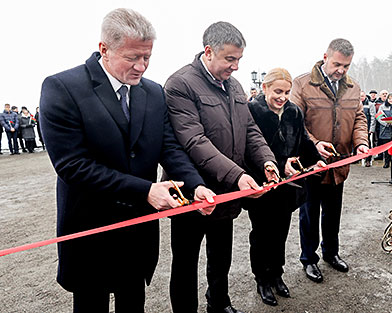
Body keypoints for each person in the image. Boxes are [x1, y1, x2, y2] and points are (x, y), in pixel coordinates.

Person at [39, 8, 215, 313]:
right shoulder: (62, 88)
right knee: (90, 304)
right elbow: (72, 165)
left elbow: (169, 148)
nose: (142, 66)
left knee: (133, 302)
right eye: (133, 57)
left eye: (147, 57)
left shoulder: (154, 92)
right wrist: (144, 190)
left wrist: (195, 185)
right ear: (104, 49)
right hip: (90, 229)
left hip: (137, 232)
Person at [164, 21, 278, 313]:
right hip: (191, 192)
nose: (236, 67)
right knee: (186, 262)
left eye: (239, 59)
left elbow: (250, 129)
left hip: (226, 191)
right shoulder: (180, 84)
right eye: (230, 59)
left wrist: (267, 160)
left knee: (221, 255)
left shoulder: (235, 86)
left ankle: (219, 302)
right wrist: (238, 175)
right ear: (208, 51)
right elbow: (194, 141)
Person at [243, 68, 325, 306]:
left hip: (289, 187)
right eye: (278, 91)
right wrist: (279, 165)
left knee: (280, 233)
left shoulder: (293, 112)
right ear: (265, 88)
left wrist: (314, 160)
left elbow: (303, 142)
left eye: (287, 92)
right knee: (261, 235)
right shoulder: (252, 111)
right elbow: (249, 149)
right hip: (263, 187)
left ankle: (277, 275)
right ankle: (262, 279)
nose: (283, 97)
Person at [290, 38, 369, 283]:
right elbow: (295, 122)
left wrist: (362, 142)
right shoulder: (302, 84)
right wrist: (314, 145)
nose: (341, 70)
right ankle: (309, 259)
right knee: (309, 215)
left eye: (346, 66)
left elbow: (359, 118)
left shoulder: (353, 87)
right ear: (325, 57)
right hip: (312, 165)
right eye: (337, 64)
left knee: (333, 213)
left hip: (340, 164)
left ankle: (331, 253)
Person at [361, 91, 376, 167]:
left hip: (367, 127)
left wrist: (371, 128)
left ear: (365, 96)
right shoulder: (356, 104)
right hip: (358, 128)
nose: (361, 98)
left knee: (368, 144)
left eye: (362, 96)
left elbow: (373, 117)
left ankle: (368, 160)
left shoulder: (370, 105)